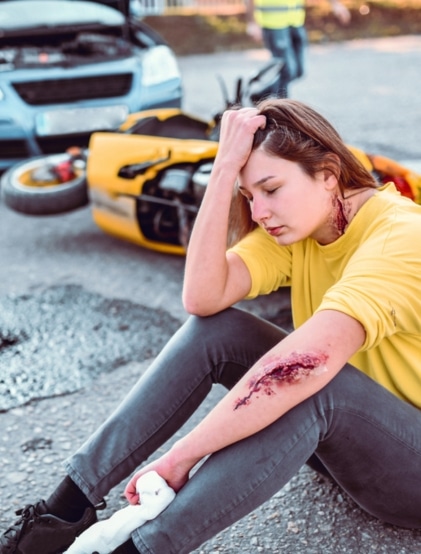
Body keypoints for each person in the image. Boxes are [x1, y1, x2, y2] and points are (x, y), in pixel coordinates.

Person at [2, 98, 421, 554]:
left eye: (271, 188)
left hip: (409, 469)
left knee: (304, 377)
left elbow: (305, 367)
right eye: (249, 196)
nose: (259, 212)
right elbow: (202, 297)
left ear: (328, 174)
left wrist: (181, 457)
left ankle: (138, 551)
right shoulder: (308, 226)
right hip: (353, 445)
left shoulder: (399, 238)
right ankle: (61, 512)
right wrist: (223, 171)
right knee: (218, 331)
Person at [246, 0, 351, 98]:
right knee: (287, 71)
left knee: (299, 71)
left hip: (296, 22)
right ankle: (284, 109)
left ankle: (261, 95)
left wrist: (336, 5)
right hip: (274, 25)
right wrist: (252, 22)